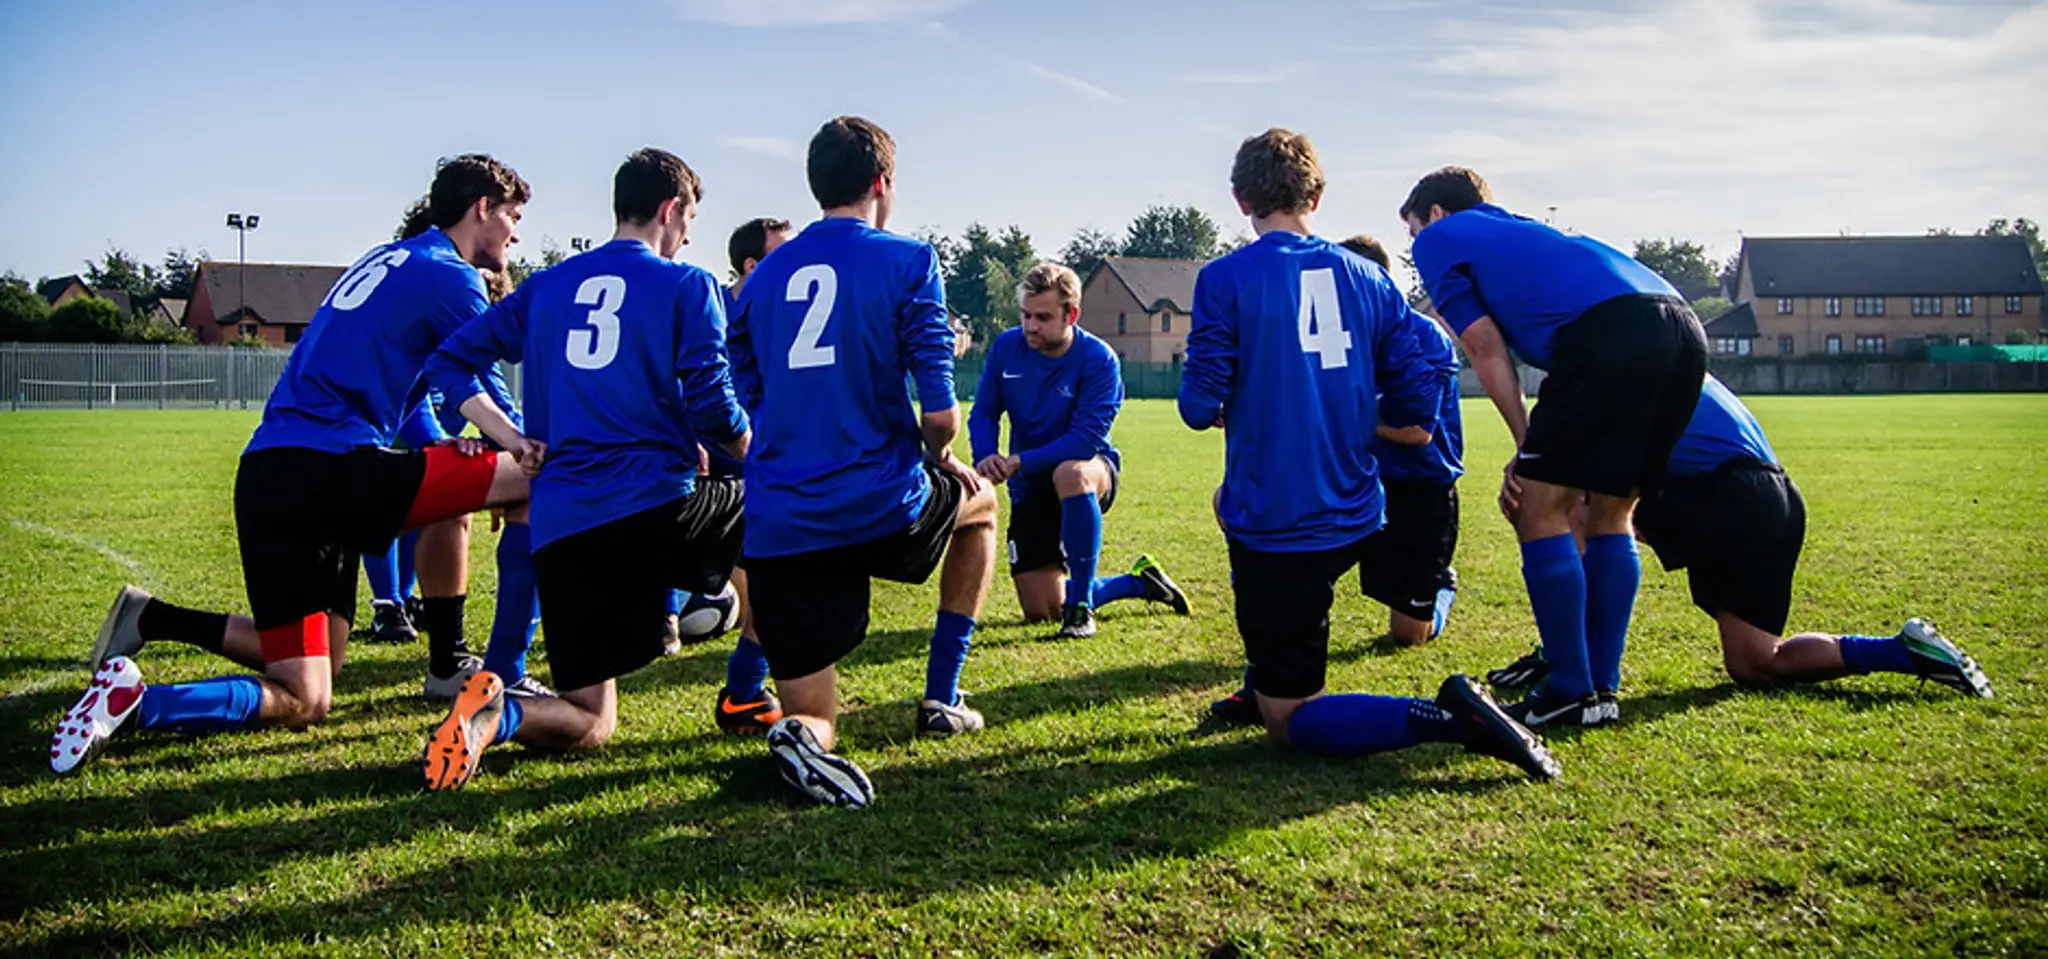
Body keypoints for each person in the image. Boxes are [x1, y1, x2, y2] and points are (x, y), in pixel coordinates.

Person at [53, 154, 535, 774]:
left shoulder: (386, 262)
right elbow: (483, 379)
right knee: (532, 476)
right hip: (330, 471)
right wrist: (521, 446)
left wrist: (453, 448)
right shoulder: (452, 278)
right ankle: (479, 670)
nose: (516, 234)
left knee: (308, 690)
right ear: (482, 209)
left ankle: (136, 695)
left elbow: (397, 394)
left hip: (270, 475)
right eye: (514, 217)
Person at [1178, 128, 1556, 782]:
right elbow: (1423, 376)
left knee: (1289, 720)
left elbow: (1196, 403)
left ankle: (1445, 716)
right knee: (1240, 523)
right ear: (1317, 195)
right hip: (1361, 507)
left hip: (1280, 521)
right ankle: (1266, 666)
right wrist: (1355, 408)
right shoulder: (1369, 279)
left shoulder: (1224, 279)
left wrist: (1232, 398)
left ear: (1240, 199)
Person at [414, 148, 751, 791]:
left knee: (591, 719)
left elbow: (447, 364)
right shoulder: (688, 284)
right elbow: (713, 405)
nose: (689, 236)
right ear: (669, 209)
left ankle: (496, 713)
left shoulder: (547, 286)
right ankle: (753, 688)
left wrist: (511, 439)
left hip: (564, 528)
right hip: (656, 509)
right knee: (780, 522)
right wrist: (760, 456)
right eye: (690, 220)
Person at [729, 116, 999, 808]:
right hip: (881, 504)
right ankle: (942, 694)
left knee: (816, 713)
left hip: (784, 519)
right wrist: (941, 458)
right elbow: (941, 416)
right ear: (882, 182)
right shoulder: (910, 261)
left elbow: (744, 399)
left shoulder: (758, 281)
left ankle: (800, 737)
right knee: (984, 507)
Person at [1404, 166, 1707, 728]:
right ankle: (1600, 689)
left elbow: (1484, 347)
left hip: (1610, 333)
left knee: (1536, 506)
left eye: (1414, 230)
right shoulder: (1519, 232)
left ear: (1436, 214)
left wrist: (1527, 442)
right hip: (1682, 326)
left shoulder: (1443, 237)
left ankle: (1570, 686)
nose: (1416, 245)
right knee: (1611, 512)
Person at [1486, 375, 1994, 700]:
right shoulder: (1660, 353)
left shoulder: (1612, 369)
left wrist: (1530, 480)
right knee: (1756, 663)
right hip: (1774, 498)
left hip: (1723, 492)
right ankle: (1900, 652)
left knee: (1575, 509)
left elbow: (1578, 479)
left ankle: (1569, 666)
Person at [1207, 233, 1464, 724]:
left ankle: (1440, 588)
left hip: (1416, 488)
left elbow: (1415, 431)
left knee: (1408, 634)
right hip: (1350, 480)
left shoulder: (1422, 335)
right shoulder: (1313, 331)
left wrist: (1320, 410)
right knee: (1265, 558)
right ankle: (1261, 680)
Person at [968, 261, 1189, 639]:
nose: (1030, 326)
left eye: (1042, 317)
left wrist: (1019, 460)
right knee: (1041, 609)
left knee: (1070, 471)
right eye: (1025, 315)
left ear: (1072, 314)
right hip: (1029, 483)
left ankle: (1081, 609)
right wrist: (986, 455)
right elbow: (985, 412)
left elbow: (1084, 440)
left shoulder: (1099, 360)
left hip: (1090, 472)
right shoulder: (1007, 347)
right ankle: (1139, 582)